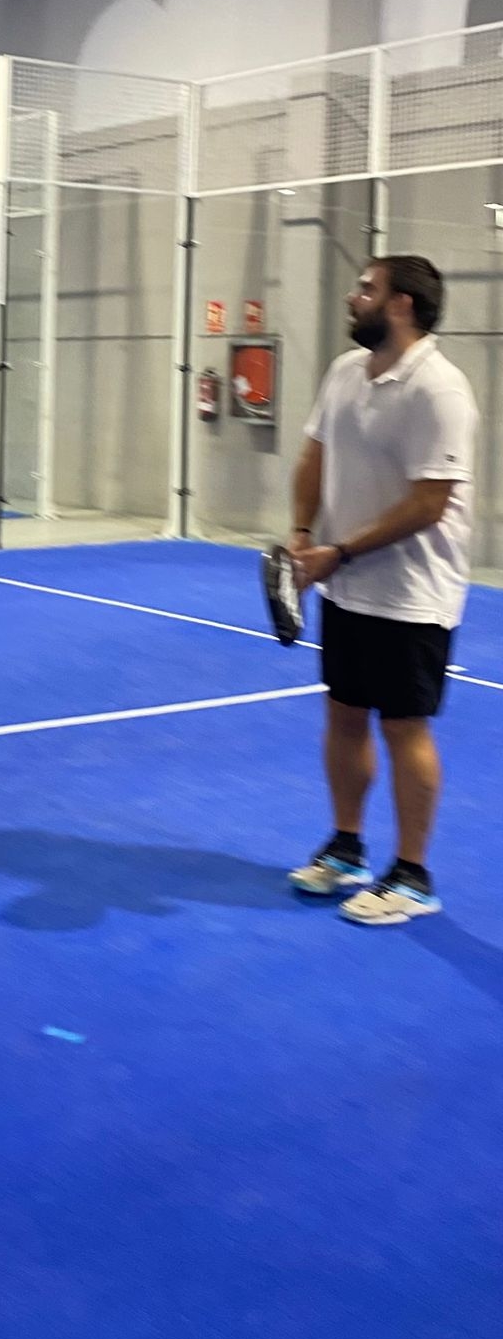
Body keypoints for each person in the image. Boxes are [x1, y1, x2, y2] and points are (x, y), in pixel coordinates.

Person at [287, 255, 477, 925]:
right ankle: (346, 849)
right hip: (346, 588)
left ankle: (413, 876)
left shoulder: (439, 389)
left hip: (412, 593)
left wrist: (338, 552)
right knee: (343, 713)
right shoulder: (345, 372)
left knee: (403, 727)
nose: (353, 296)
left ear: (401, 304)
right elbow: (314, 457)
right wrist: (302, 533)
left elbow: (429, 503)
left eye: (366, 289)